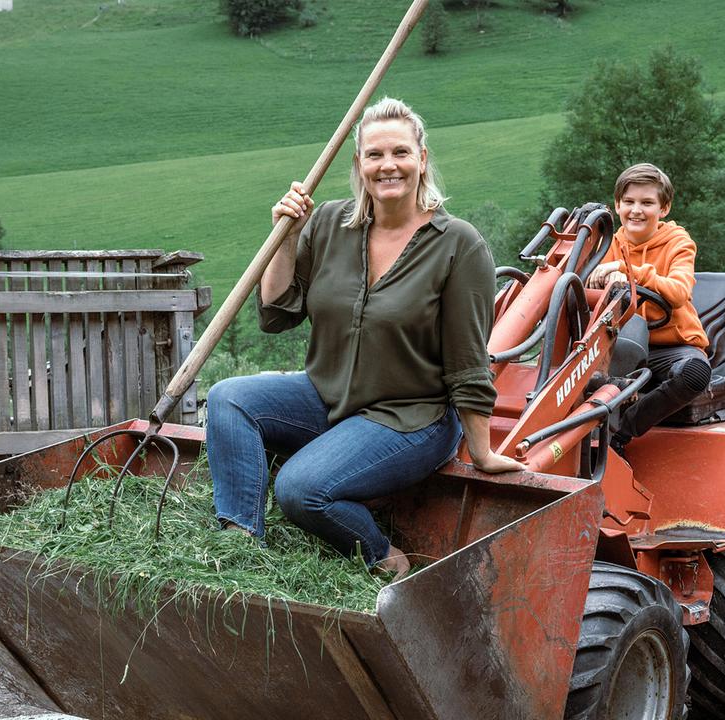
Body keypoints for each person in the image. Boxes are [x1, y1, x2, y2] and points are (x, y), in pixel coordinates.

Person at [205, 97, 524, 580]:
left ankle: (382, 555)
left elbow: (467, 360)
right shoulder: (330, 222)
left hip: (411, 417)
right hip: (328, 396)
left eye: (399, 152)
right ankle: (241, 542)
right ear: (359, 164)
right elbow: (276, 311)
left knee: (300, 488)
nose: (387, 165)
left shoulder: (458, 244)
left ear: (421, 157)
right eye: (374, 155)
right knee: (228, 397)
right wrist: (286, 235)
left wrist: (481, 450)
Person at [586, 163, 711, 440]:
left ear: (663, 208)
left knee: (694, 373)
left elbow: (679, 292)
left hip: (669, 347)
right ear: (617, 206)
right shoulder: (604, 246)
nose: (636, 210)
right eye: (628, 201)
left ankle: (620, 434)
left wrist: (627, 271)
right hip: (618, 344)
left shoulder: (678, 242)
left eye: (647, 202)